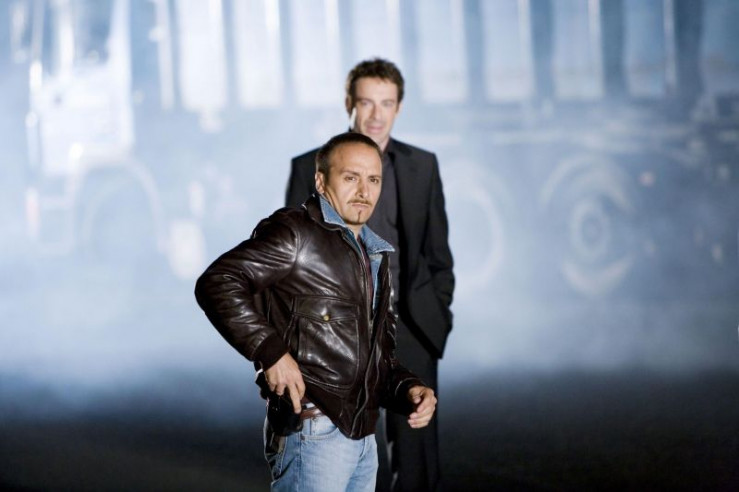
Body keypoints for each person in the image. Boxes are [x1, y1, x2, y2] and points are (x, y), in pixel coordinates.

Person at [195, 132, 437, 492]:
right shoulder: (296, 232)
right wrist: (271, 352)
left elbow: (375, 358)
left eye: (373, 180)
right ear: (321, 182)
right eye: (351, 177)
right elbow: (218, 281)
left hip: (363, 440)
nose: (364, 191)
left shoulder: (374, 256)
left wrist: (409, 390)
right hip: (312, 433)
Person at [285, 59, 454, 492]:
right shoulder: (309, 168)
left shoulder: (423, 166)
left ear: (399, 108)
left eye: (387, 103)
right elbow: (292, 262)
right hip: (337, 331)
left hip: (410, 325)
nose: (377, 115)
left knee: (416, 458)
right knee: (336, 454)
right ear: (349, 104)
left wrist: (436, 316)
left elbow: (438, 254)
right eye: (366, 103)